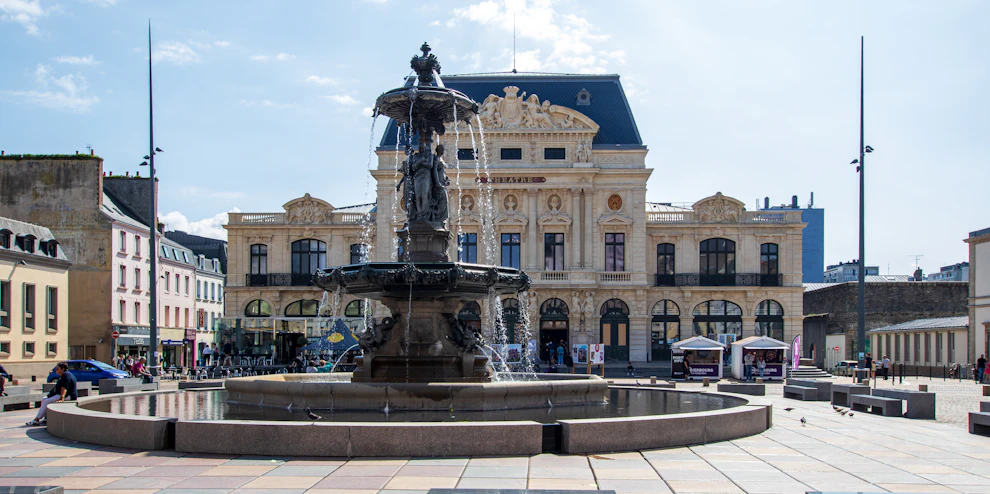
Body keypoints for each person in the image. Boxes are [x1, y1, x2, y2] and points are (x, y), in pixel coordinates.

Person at [26, 362, 77, 426]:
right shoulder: (62, 375)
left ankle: (37, 419)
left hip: (69, 396)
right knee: (44, 399)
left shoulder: (66, 376)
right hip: (62, 394)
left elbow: (64, 388)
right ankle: (46, 418)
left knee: (47, 401)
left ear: (63, 369)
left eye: (58, 369)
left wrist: (62, 398)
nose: (56, 370)